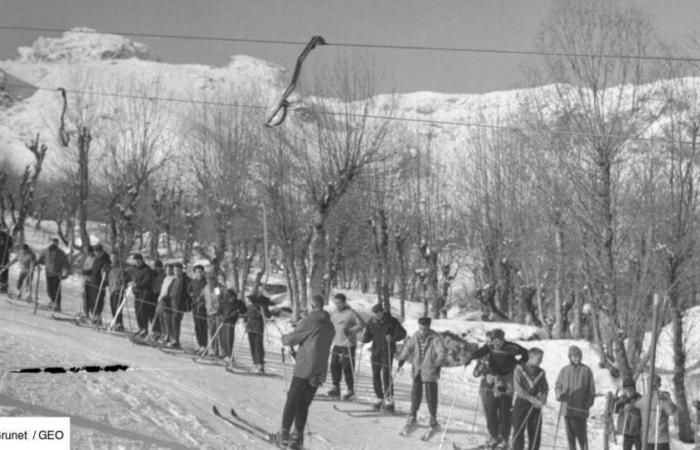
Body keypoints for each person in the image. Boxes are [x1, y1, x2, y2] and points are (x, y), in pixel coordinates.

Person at [275, 294, 335, 450]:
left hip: (305, 367)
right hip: (319, 370)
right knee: (303, 404)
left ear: (313, 306)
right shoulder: (330, 325)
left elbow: (293, 338)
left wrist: (285, 338)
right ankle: (298, 437)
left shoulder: (311, 320)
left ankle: (284, 434)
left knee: (292, 400)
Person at [464, 328, 529, 449]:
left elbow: (526, 353)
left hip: (508, 378)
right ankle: (494, 436)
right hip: (494, 378)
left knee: (505, 410)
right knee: (491, 410)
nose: (496, 343)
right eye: (494, 341)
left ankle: (504, 439)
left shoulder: (511, 347)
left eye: (499, 341)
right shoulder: (489, 346)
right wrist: (470, 358)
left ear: (503, 339)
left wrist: (519, 364)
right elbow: (480, 352)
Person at [397, 316, 447, 432]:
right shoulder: (416, 335)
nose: (423, 331)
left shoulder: (435, 338)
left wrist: (438, 364)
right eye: (421, 328)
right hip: (418, 370)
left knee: (431, 396)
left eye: (425, 328)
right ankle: (413, 415)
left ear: (429, 326)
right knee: (415, 394)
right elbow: (408, 347)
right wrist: (402, 358)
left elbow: (442, 352)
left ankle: (433, 418)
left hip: (430, 370)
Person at [361, 303, 407, 412]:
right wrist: (364, 339)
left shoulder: (392, 321)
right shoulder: (371, 322)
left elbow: (402, 333)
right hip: (376, 351)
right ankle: (379, 398)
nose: (377, 315)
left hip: (387, 351)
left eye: (379, 313)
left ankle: (389, 400)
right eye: (375, 313)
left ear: (382, 312)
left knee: (386, 375)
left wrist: (392, 338)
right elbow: (368, 334)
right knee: (375, 375)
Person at [555, 345, 596, 450]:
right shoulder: (564, 370)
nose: (577, 358)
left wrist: (587, 404)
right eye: (574, 356)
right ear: (570, 357)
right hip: (567, 409)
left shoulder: (586, 371)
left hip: (580, 410)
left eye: (578, 356)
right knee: (570, 437)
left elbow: (591, 390)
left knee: (582, 437)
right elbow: (558, 385)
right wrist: (560, 395)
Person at [327, 293, 366, 400]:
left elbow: (362, 324)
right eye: (336, 303)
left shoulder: (351, 313)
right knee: (334, 366)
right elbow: (331, 326)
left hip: (348, 344)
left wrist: (351, 330)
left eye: (339, 303)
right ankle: (336, 387)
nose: (337, 305)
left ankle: (350, 389)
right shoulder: (334, 314)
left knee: (347, 367)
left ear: (344, 302)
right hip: (337, 344)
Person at [512, 347, 548, 450]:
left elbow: (545, 387)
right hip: (521, 403)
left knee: (535, 432)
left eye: (541, 358)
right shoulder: (519, 369)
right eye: (539, 358)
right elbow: (518, 389)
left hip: (535, 405)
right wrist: (531, 399)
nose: (541, 361)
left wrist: (543, 398)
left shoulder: (540, 372)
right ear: (531, 357)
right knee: (518, 430)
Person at [638, 374, 676, 450]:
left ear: (658, 385)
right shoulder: (644, 399)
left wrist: (666, 400)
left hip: (661, 439)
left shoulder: (663, 397)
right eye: (649, 384)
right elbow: (634, 409)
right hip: (647, 439)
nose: (652, 387)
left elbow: (671, 411)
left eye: (654, 384)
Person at [36, 239, 70, 312]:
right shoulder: (46, 251)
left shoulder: (61, 254)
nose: (52, 254)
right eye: (51, 253)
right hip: (48, 273)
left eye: (53, 253)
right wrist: (36, 263)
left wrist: (65, 275)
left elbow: (67, 266)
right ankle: (52, 301)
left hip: (57, 274)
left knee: (56, 290)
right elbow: (40, 259)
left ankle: (57, 305)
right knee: (49, 289)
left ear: (56, 250)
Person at [245, 292, 273, 373]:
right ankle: (255, 363)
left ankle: (260, 364)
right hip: (250, 328)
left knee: (258, 346)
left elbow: (268, 315)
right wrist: (245, 320)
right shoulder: (250, 307)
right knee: (252, 346)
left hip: (258, 329)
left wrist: (264, 310)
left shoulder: (262, 307)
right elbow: (246, 316)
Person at [128, 254, 154, 337]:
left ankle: (145, 329)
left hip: (145, 293)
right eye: (135, 261)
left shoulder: (147, 269)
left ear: (142, 260)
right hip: (137, 293)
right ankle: (140, 327)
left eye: (138, 261)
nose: (137, 263)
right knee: (137, 311)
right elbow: (128, 275)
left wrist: (138, 285)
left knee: (143, 311)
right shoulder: (133, 268)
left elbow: (147, 281)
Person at [166, 262, 190, 349]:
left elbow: (190, 291)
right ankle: (172, 338)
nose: (176, 272)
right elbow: (170, 290)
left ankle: (176, 340)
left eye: (178, 270)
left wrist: (187, 301)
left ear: (181, 271)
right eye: (175, 270)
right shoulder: (174, 279)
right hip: (171, 302)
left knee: (176, 321)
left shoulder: (185, 279)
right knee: (169, 320)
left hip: (180, 303)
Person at [219, 288, 246, 365]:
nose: (231, 298)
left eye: (232, 296)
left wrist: (238, 311)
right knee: (223, 338)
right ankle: (224, 354)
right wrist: (221, 316)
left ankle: (230, 356)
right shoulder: (224, 302)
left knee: (229, 339)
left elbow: (244, 309)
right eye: (229, 296)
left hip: (231, 323)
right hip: (223, 322)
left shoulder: (238, 302)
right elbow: (219, 310)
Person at [615, 378, 642, 450]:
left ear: (634, 389)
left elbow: (643, 410)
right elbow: (615, 410)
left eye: (631, 390)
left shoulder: (639, 398)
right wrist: (618, 402)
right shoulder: (622, 399)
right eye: (626, 390)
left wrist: (634, 408)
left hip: (638, 431)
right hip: (627, 431)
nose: (629, 392)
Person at [202, 272, 225, 357]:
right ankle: (214, 350)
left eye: (211, 279)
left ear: (214, 280)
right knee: (212, 332)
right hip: (209, 313)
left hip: (217, 313)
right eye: (207, 279)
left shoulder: (217, 288)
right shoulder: (206, 288)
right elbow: (204, 296)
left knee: (219, 332)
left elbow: (219, 299)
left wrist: (219, 308)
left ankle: (222, 351)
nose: (209, 281)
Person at [87, 244, 110, 324]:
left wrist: (105, 270)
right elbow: (94, 270)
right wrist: (88, 272)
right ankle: (94, 315)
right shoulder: (96, 259)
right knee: (92, 299)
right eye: (96, 252)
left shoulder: (105, 260)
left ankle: (98, 316)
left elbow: (107, 269)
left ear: (102, 252)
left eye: (98, 252)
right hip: (93, 282)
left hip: (100, 284)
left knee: (99, 300)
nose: (97, 254)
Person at [188, 265, 208, 355]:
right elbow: (188, 289)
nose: (199, 274)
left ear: (203, 272)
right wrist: (191, 294)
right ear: (195, 273)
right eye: (197, 272)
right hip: (195, 307)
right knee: (197, 326)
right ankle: (200, 345)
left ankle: (205, 345)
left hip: (204, 308)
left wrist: (204, 301)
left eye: (200, 272)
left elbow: (215, 293)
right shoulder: (193, 281)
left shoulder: (207, 281)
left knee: (202, 326)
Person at [152, 264, 174, 343]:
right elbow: (163, 289)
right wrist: (160, 297)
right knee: (159, 317)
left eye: (169, 270)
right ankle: (161, 333)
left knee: (165, 319)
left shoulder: (173, 278)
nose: (168, 271)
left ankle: (167, 335)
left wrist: (165, 298)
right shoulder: (166, 278)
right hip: (161, 299)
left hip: (166, 301)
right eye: (167, 270)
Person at [107, 253, 126, 332]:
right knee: (112, 306)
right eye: (112, 258)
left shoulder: (120, 267)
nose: (113, 259)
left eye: (114, 258)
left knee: (117, 306)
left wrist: (122, 281)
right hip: (112, 289)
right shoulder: (110, 267)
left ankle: (119, 323)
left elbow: (124, 276)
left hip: (118, 289)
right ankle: (115, 321)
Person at [150, 260, 166, 338]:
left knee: (159, 314)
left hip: (159, 294)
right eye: (156, 267)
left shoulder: (164, 275)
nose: (157, 269)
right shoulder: (152, 273)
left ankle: (159, 331)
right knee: (152, 313)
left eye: (159, 267)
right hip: (152, 294)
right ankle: (154, 330)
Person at [80, 246, 95, 317]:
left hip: (90, 281)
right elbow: (85, 266)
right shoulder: (87, 258)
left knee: (90, 297)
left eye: (89, 252)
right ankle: (85, 312)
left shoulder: (94, 259)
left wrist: (87, 272)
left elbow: (93, 270)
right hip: (85, 280)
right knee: (84, 296)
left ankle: (91, 313)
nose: (88, 253)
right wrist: (83, 271)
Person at [0, 227, 14, 293]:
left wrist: (7, 241)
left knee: (4, 271)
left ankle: (3, 287)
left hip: (4, 257)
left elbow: (10, 247)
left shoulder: (7, 236)